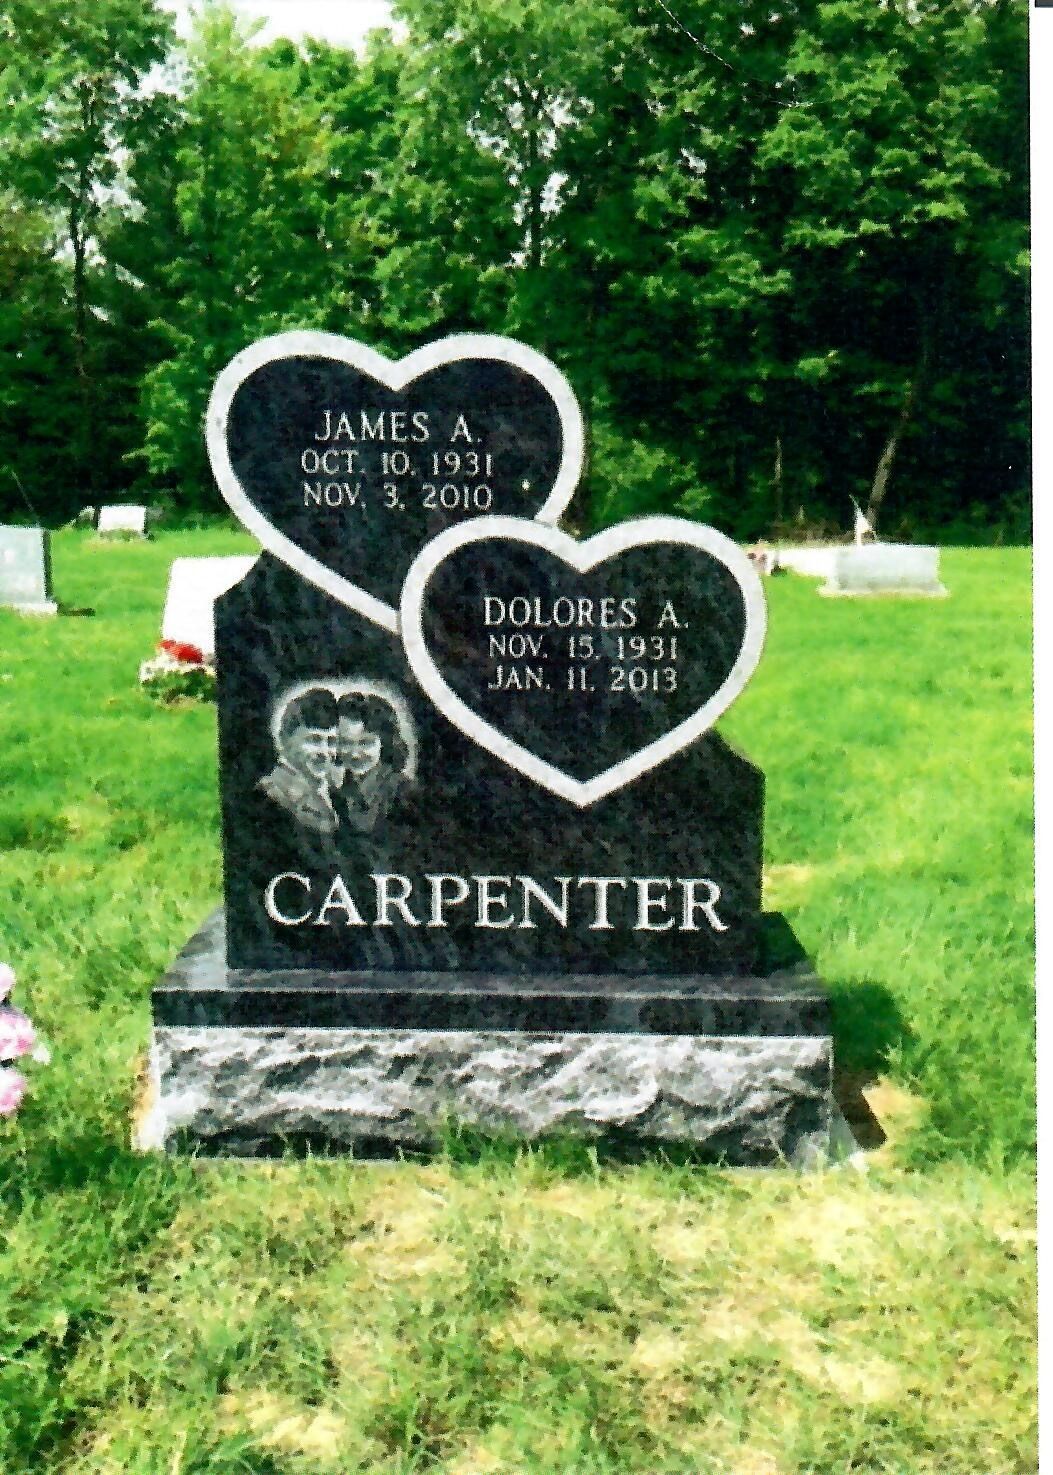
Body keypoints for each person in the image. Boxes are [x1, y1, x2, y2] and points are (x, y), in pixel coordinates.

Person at [257, 687, 341, 835]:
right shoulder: (272, 797)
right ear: (285, 740)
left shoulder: (333, 794)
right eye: (314, 740)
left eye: (331, 742)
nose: (325, 752)